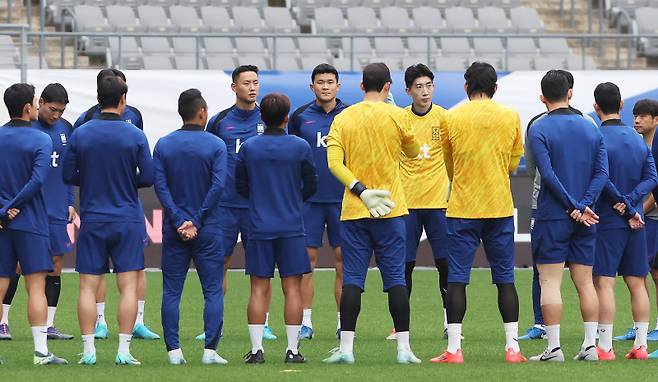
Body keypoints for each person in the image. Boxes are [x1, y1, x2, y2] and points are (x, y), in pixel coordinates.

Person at [322, 63, 422, 365]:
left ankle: (347, 349)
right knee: (396, 281)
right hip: (391, 209)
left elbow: (334, 163)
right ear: (388, 87)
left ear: (362, 87)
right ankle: (403, 349)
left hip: (355, 209)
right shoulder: (398, 115)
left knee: (352, 280)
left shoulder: (344, 117)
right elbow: (415, 152)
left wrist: (361, 190)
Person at [431, 62, 526, 364]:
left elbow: (449, 164)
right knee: (505, 279)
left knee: (457, 279)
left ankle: (454, 350)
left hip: (462, 207)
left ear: (466, 87)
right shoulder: (510, 116)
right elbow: (513, 164)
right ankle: (513, 348)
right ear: (495, 88)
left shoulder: (450, 117)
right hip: (498, 205)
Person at [63, 76, 154, 365]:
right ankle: (123, 350)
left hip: (93, 218)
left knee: (88, 286)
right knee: (128, 286)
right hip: (127, 218)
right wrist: (127, 180)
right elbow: (149, 177)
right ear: (123, 100)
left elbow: (67, 175)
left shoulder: (81, 133)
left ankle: (89, 351)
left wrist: (90, 179)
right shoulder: (135, 134)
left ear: (98, 98)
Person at [527, 70, 608, 362]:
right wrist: (584, 204)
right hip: (587, 216)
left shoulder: (538, 127)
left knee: (549, 282)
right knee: (585, 281)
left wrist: (573, 205)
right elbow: (602, 174)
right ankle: (590, 346)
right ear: (570, 93)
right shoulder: (591, 126)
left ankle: (554, 348)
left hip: (553, 214)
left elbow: (544, 174)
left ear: (542, 97)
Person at [236, 93, 317, 364]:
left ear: (261, 117)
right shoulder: (300, 146)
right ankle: (292, 350)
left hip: (259, 226)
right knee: (292, 288)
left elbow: (240, 186)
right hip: (292, 226)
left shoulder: (249, 147)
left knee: (258, 288)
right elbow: (311, 185)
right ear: (286, 117)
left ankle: (257, 349)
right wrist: (293, 199)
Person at [202, 65, 277, 342]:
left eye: (256, 82)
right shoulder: (221, 121)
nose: (252, 87)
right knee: (218, 263)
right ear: (234, 87)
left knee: (260, 267)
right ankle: (212, 323)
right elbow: (209, 158)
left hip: (259, 206)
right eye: (246, 83)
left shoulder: (269, 119)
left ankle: (264, 323)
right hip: (225, 206)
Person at [153, 89, 228, 365]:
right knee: (212, 291)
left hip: (175, 230)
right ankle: (210, 352)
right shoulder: (216, 145)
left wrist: (177, 219)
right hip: (207, 228)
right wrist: (196, 221)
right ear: (202, 112)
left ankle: (174, 352)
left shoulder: (163, 144)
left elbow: (159, 185)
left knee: (172, 290)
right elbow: (218, 185)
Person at [1, 84, 77, 341]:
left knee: (54, 266)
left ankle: (49, 326)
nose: (55, 115)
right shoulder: (31, 131)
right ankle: (8, 324)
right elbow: (30, 178)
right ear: (37, 103)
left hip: (51, 208)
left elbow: (66, 170)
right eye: (51, 109)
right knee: (21, 271)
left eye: (60, 111)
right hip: (28, 210)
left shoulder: (67, 129)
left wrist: (69, 200)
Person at [591, 82, 657, 361]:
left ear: (596, 108)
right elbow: (652, 178)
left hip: (608, 220)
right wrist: (632, 204)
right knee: (637, 282)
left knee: (604, 283)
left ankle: (605, 347)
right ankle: (641, 345)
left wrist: (623, 205)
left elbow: (599, 178)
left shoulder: (595, 138)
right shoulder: (637, 139)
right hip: (637, 222)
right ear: (621, 105)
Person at [288, 63, 347, 340]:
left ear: (338, 86)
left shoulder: (349, 115)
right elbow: (292, 157)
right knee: (306, 262)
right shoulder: (299, 117)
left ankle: (342, 322)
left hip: (343, 198)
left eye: (330, 82)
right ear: (312, 87)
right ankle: (305, 323)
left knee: (343, 261)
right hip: (309, 200)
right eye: (320, 82)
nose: (325, 86)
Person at [394, 63, 450, 341]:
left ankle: (450, 325)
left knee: (445, 264)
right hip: (406, 203)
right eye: (419, 86)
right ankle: (399, 326)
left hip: (439, 202)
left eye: (429, 85)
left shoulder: (444, 118)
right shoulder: (399, 119)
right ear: (408, 91)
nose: (425, 91)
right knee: (404, 266)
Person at [632, 99, 658, 351]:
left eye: (643, 116)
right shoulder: (638, 145)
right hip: (643, 217)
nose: (637, 120)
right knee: (641, 271)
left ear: (656, 119)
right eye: (635, 116)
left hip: (649, 217)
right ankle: (641, 326)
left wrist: (638, 209)